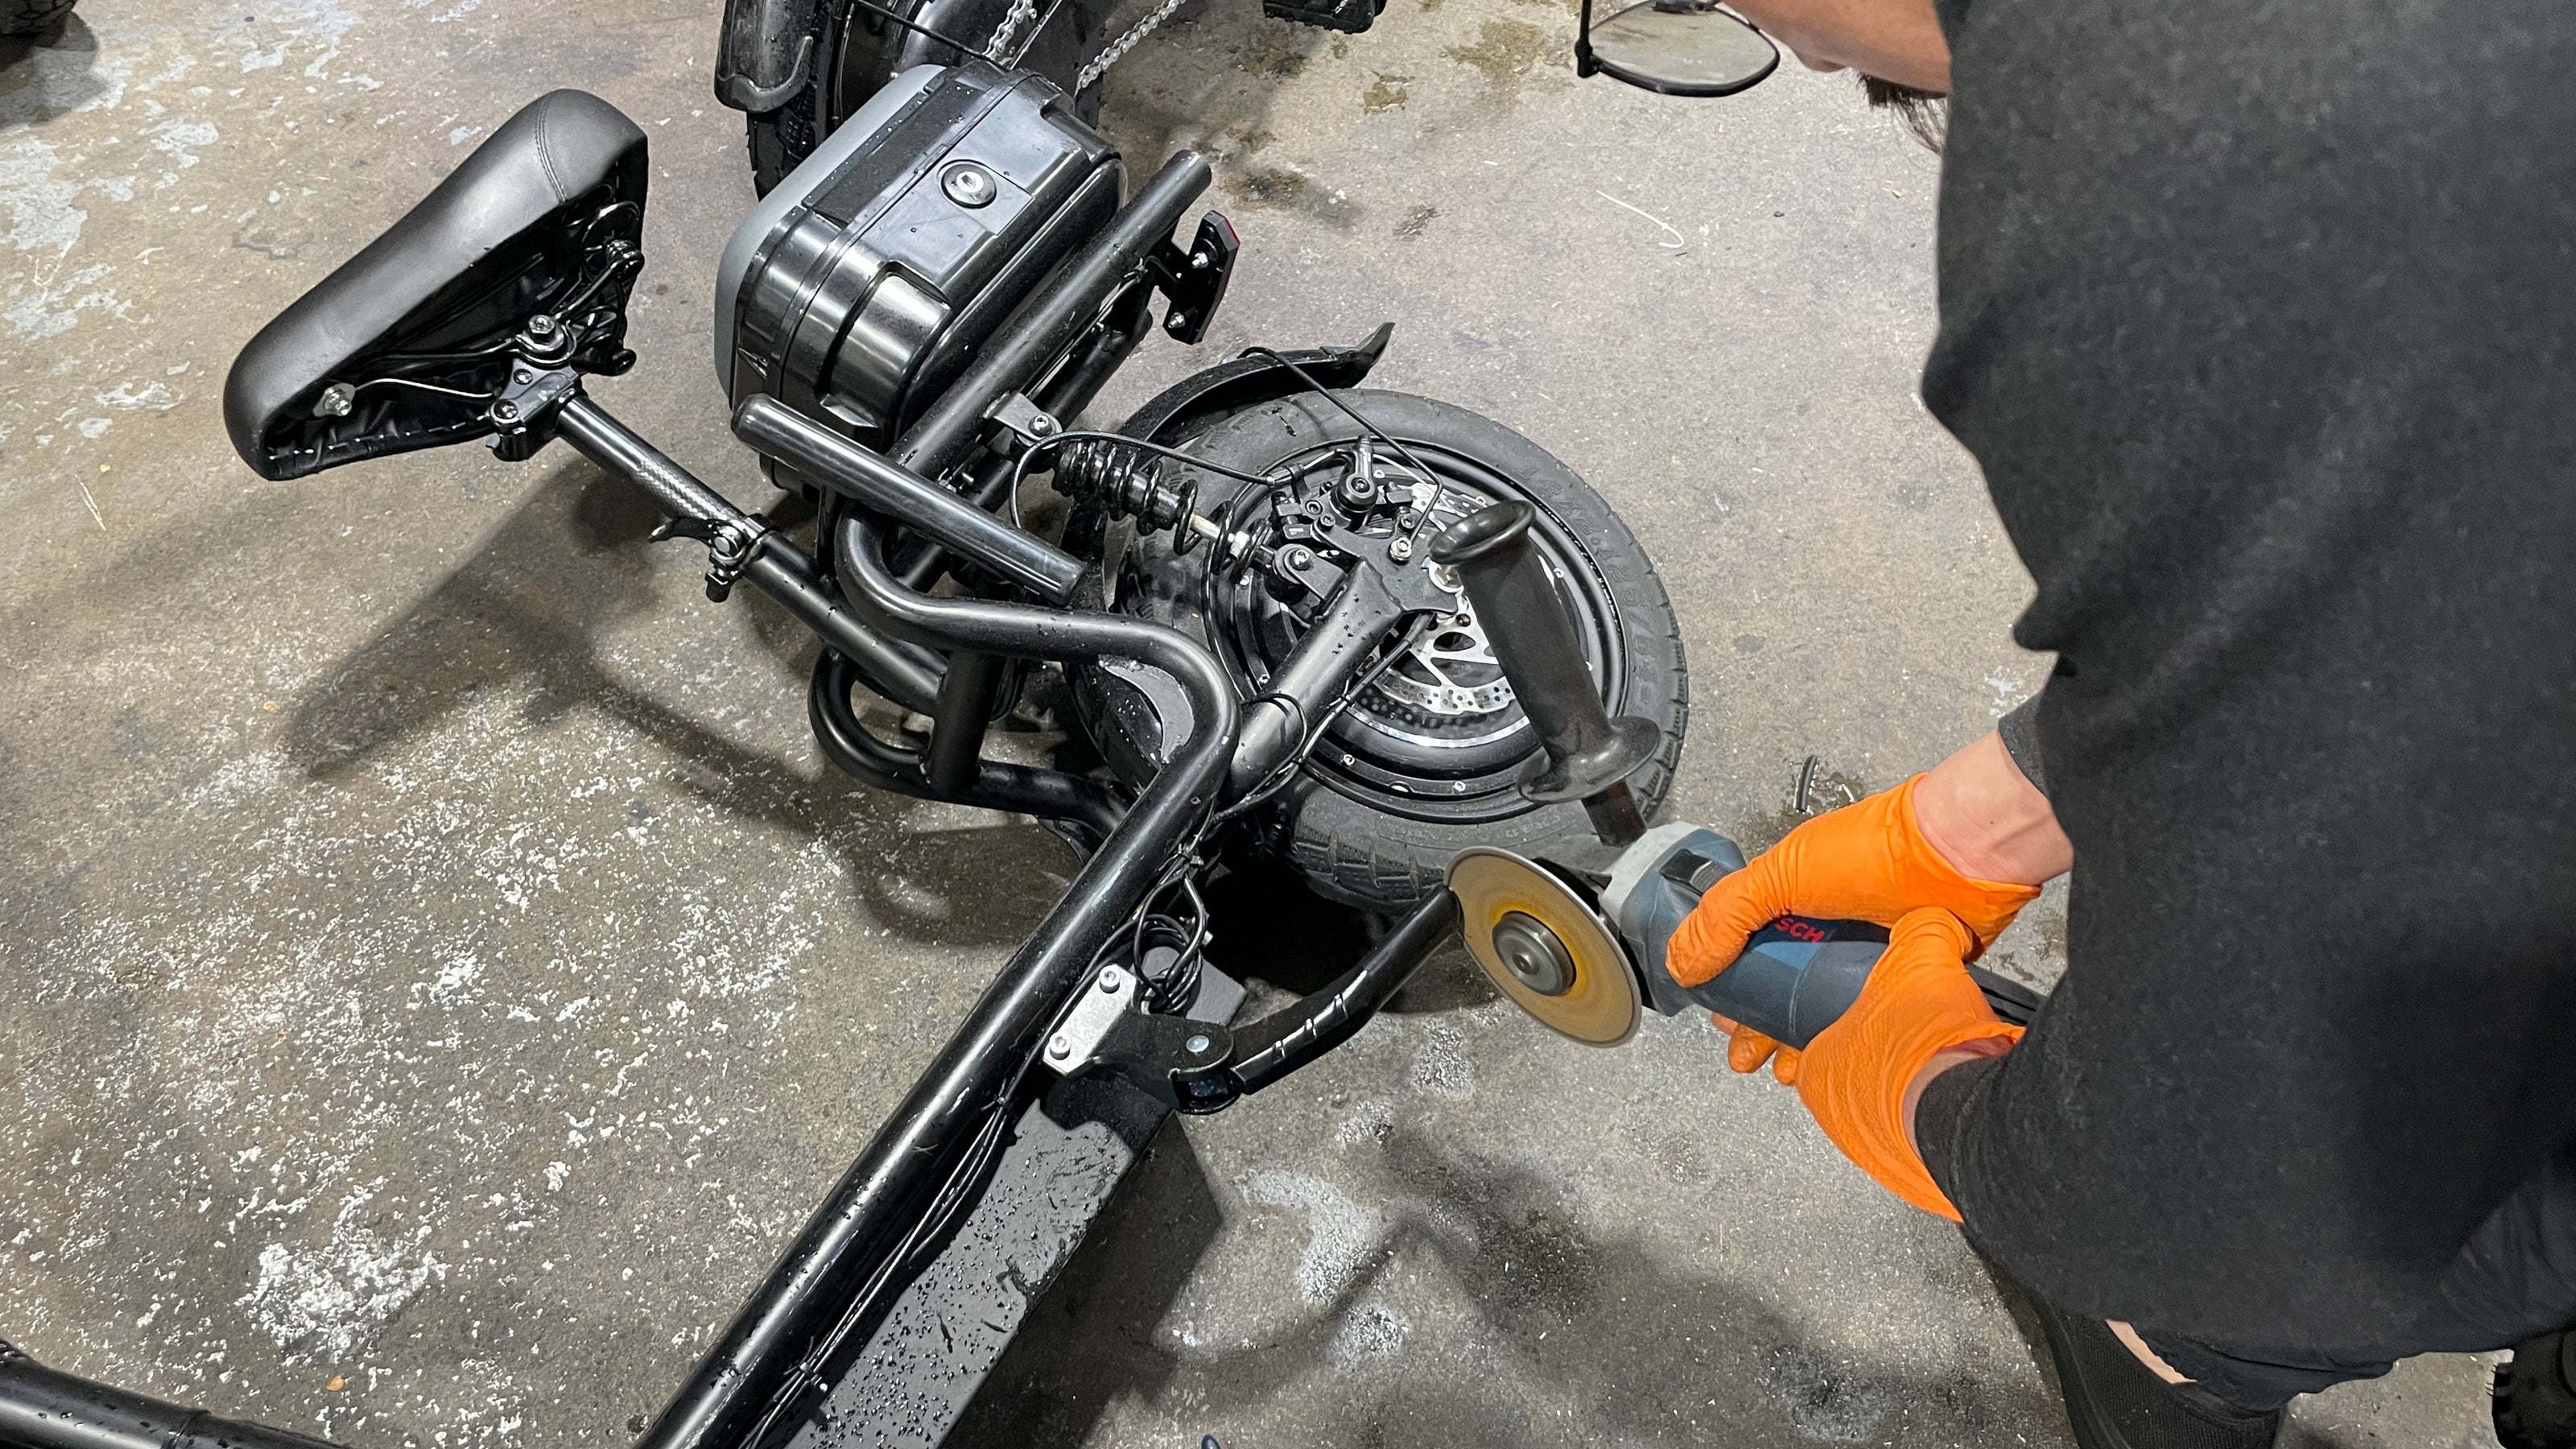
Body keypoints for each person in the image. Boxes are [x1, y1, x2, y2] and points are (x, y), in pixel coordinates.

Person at [1654, 2, 2576, 1447]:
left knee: (2185, 1297)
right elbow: (2449, 583)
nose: (1790, 41)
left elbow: (2212, 1190)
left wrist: (1950, 1112)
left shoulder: (2168, 182)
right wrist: (2001, 805)